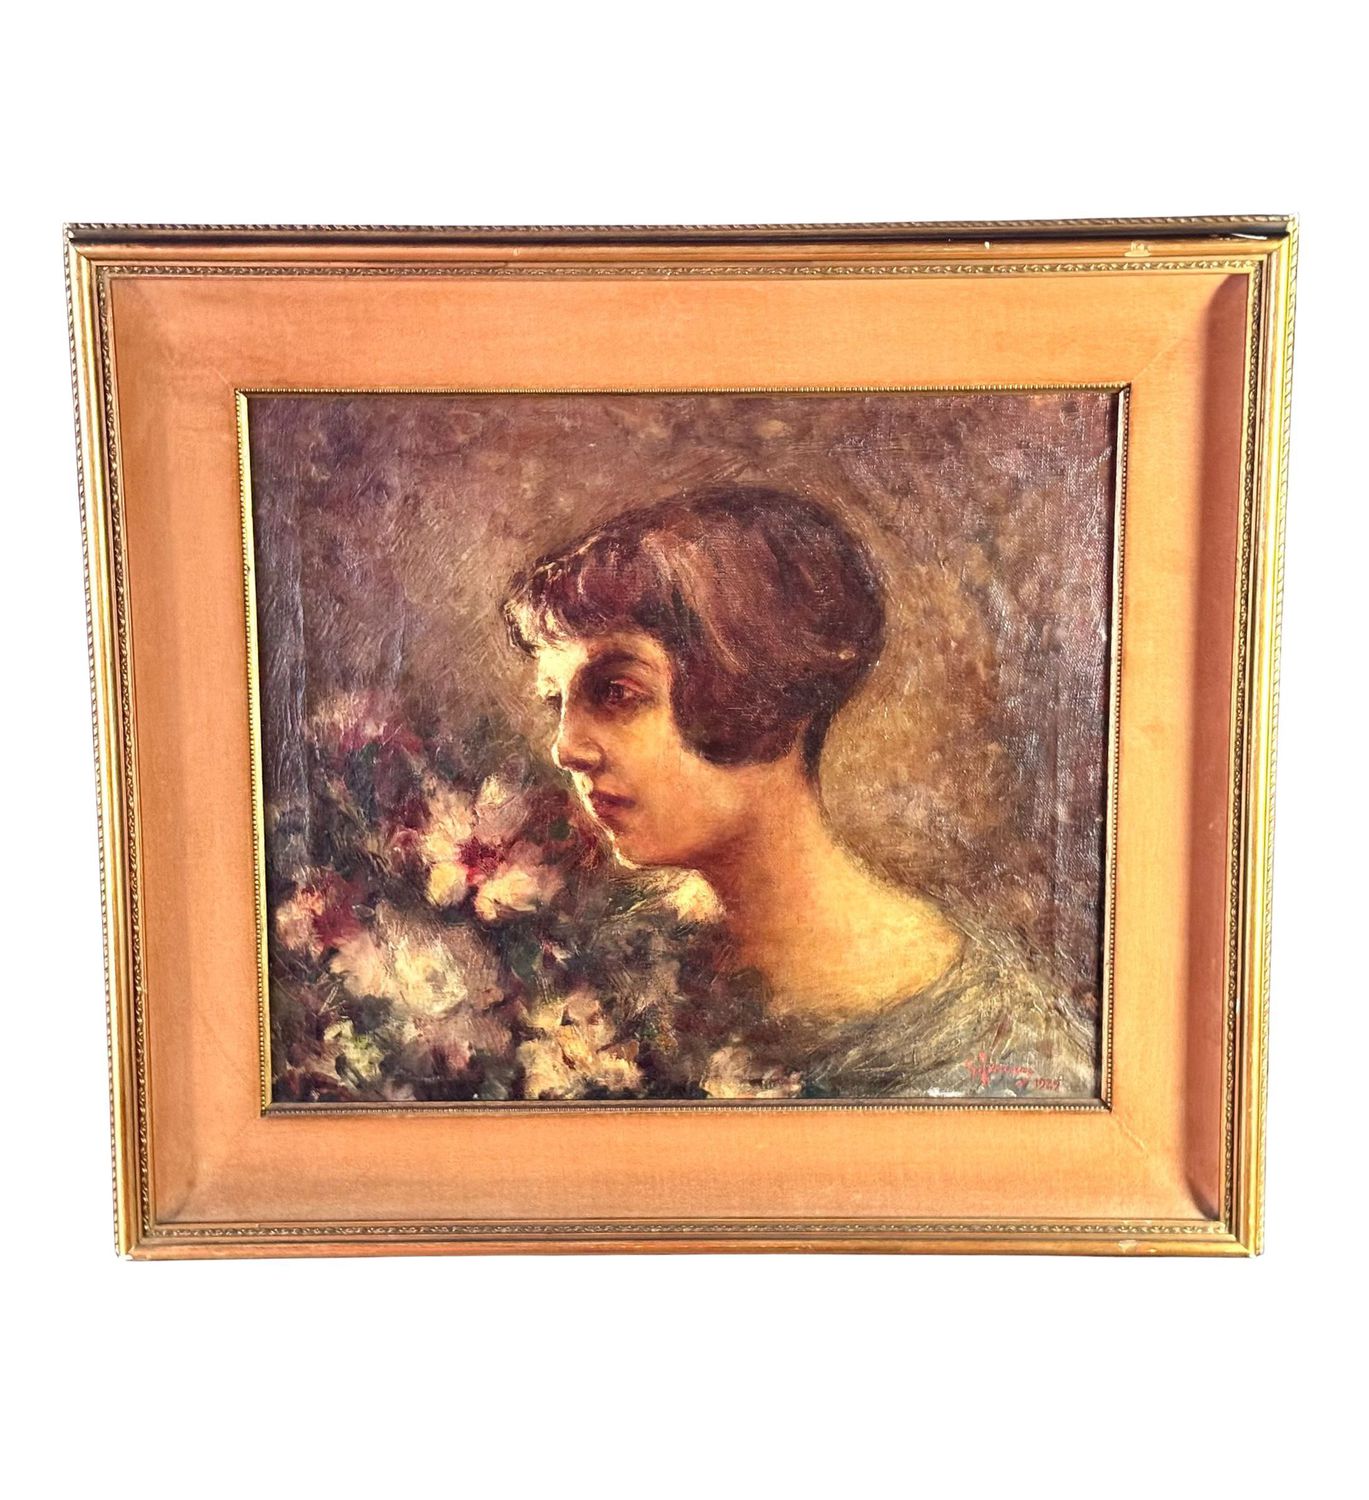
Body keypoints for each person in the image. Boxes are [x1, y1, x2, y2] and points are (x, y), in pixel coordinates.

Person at [501, 484, 1097, 1099]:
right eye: (556, 701)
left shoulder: (998, 1048)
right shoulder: (591, 961)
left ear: (758, 693)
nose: (566, 748)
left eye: (617, 693)